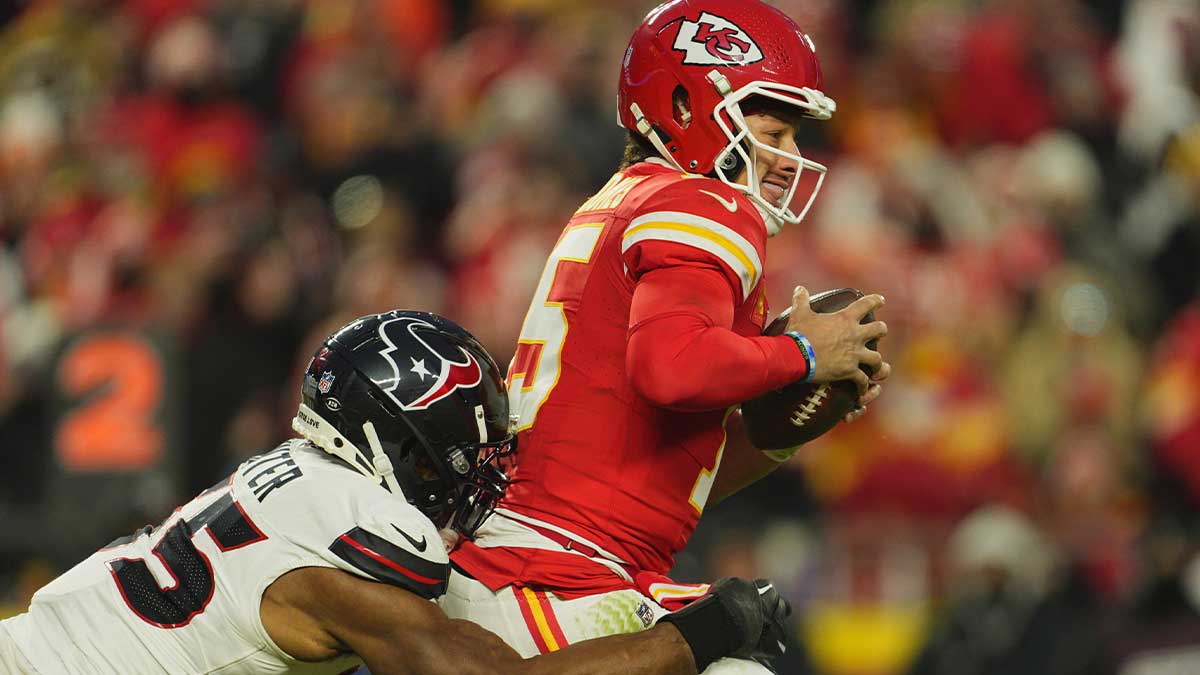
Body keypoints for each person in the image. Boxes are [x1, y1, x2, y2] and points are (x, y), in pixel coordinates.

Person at [441, 1, 891, 672]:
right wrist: (801, 353)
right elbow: (673, 367)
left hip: (541, 562)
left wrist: (778, 427)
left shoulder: (632, 196)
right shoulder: (702, 202)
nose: (790, 157)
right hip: (552, 574)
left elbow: (662, 484)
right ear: (685, 107)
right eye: (773, 128)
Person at [0, 310, 791, 674]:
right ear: (406, 450)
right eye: (464, 452)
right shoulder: (356, 540)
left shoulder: (293, 477)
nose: (481, 476)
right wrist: (700, 632)